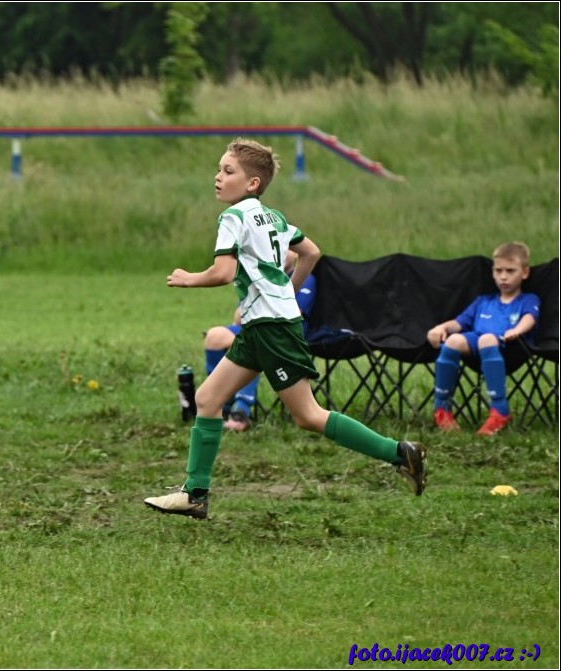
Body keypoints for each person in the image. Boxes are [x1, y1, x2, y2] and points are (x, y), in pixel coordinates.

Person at [144, 138, 427, 520]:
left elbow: (224, 272)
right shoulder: (274, 217)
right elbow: (310, 252)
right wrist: (287, 292)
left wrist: (188, 278)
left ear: (252, 184)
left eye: (228, 171)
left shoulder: (233, 218)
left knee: (308, 416)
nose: (218, 177)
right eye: (219, 169)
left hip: (272, 329)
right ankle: (195, 493)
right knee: (208, 399)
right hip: (265, 324)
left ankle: (400, 453)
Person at [426, 241, 540, 436]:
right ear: (493, 272)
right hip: (476, 342)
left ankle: (499, 411)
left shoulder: (528, 299)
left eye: (510, 271)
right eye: (499, 270)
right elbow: (460, 322)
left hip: (510, 346)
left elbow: (530, 317)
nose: (503, 276)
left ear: (525, 272)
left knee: (486, 338)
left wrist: (518, 330)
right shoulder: (484, 301)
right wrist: (441, 327)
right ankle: (442, 409)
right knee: (453, 340)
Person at [203, 250, 317, 431]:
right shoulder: (259, 276)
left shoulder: (305, 278)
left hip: (284, 334)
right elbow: (238, 319)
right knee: (214, 336)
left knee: (256, 342)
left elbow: (293, 312)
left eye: (286, 248)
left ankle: (241, 411)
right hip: (254, 326)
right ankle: (220, 406)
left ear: (295, 254)